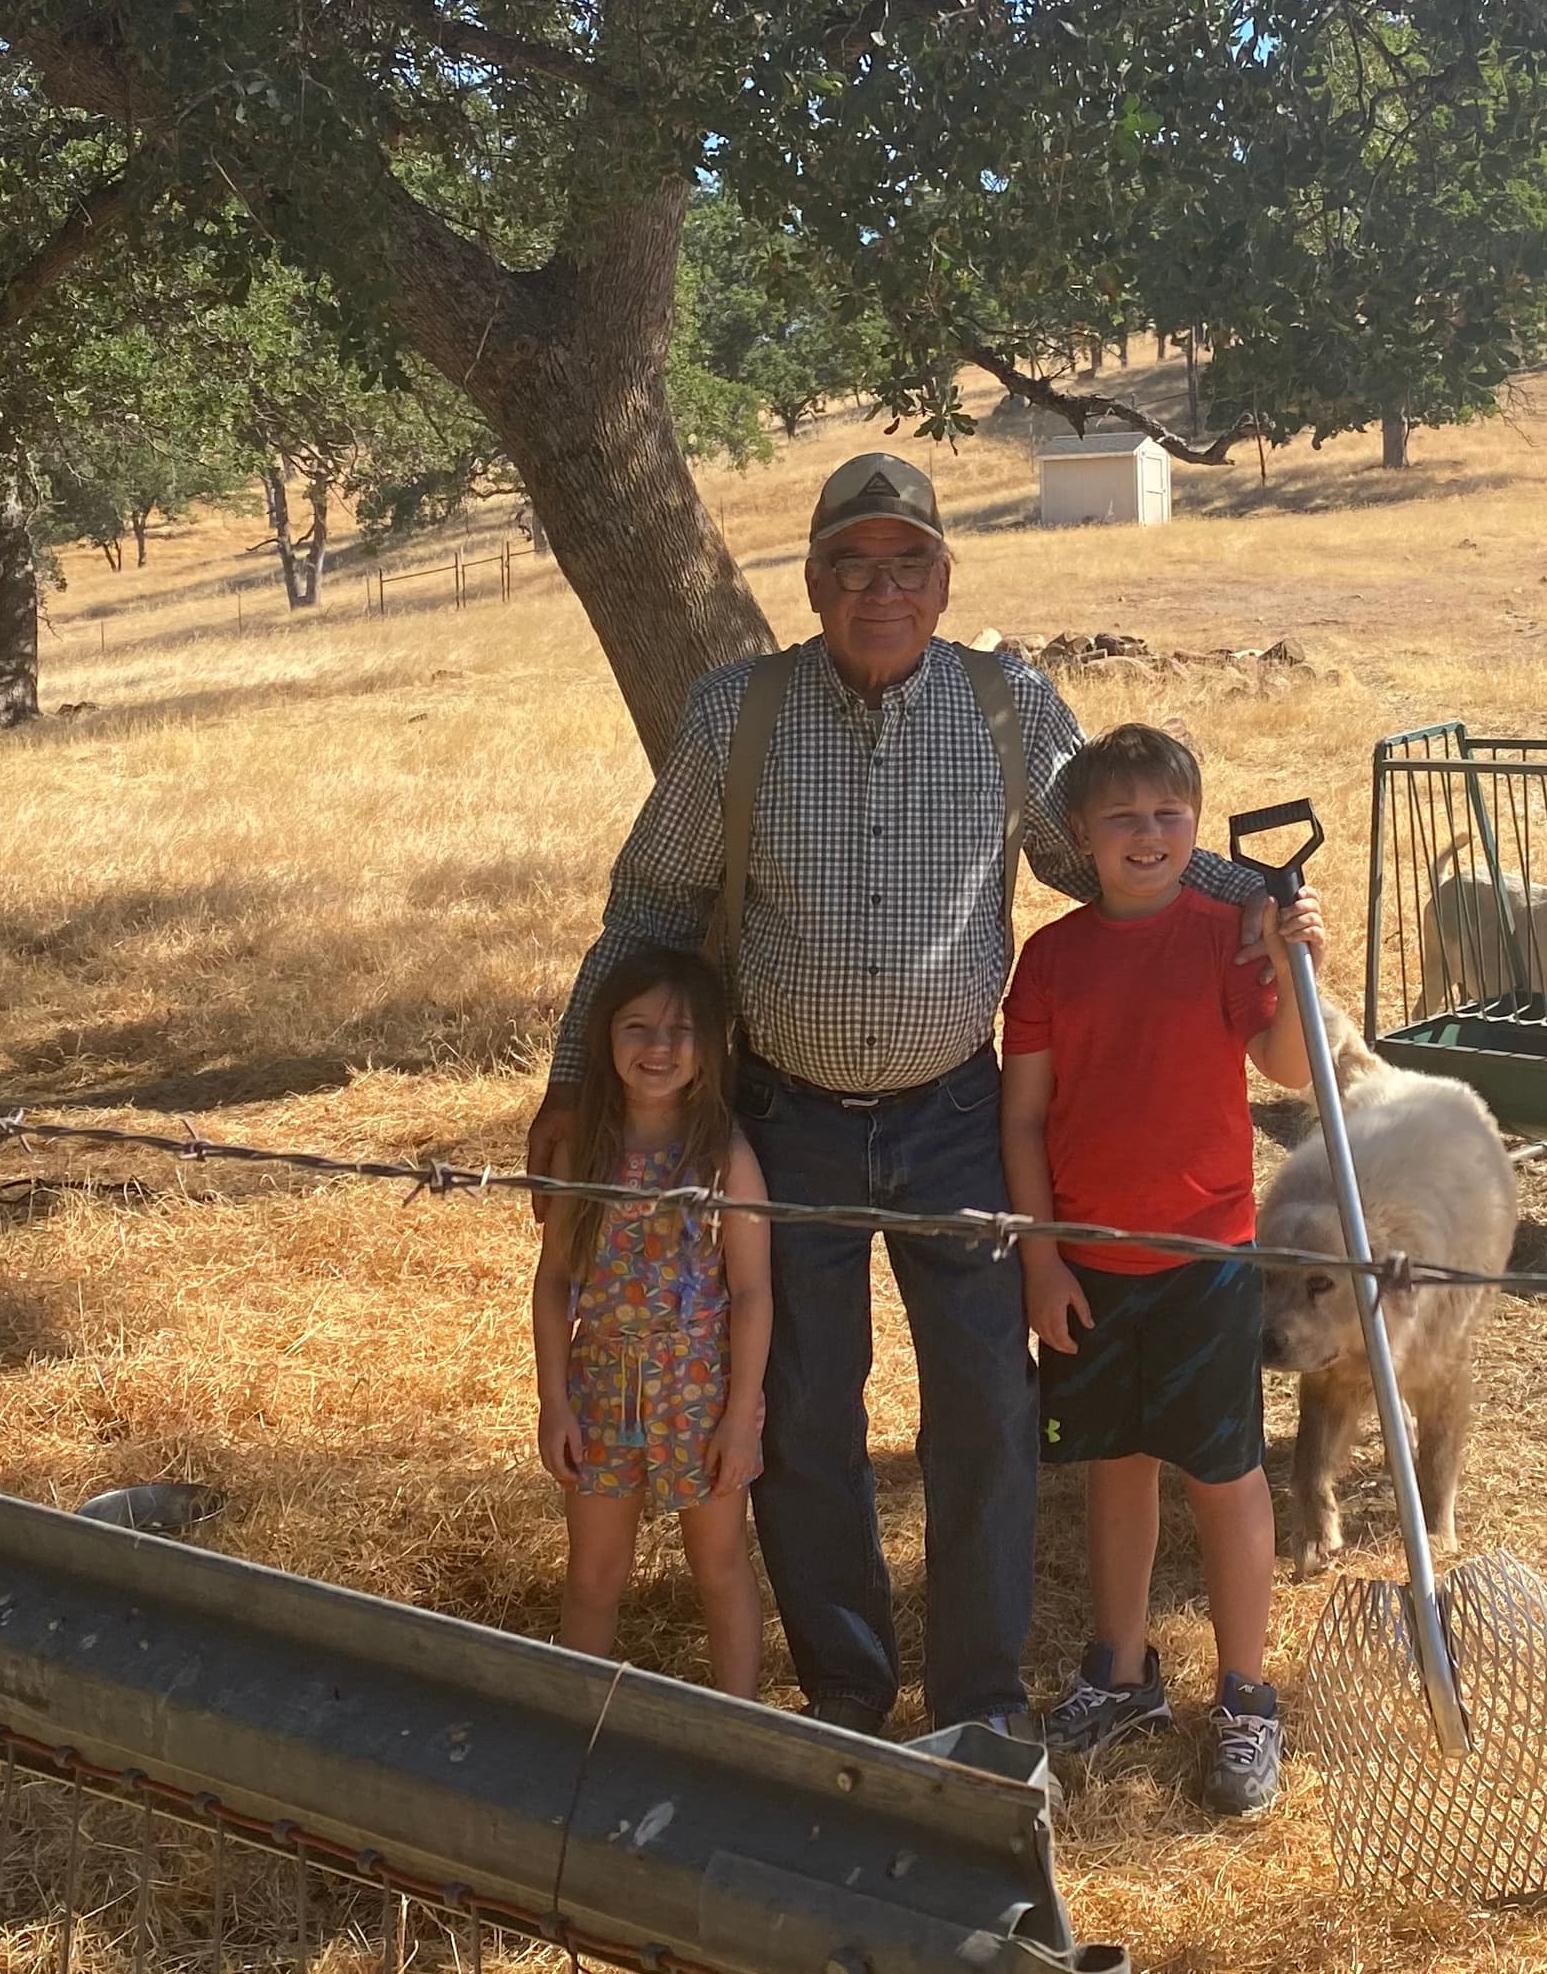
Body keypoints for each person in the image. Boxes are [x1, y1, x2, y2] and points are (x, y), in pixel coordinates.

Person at [532, 451, 1290, 1738]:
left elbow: (1104, 853)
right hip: (785, 1122)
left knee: (988, 1412)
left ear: (945, 581)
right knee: (802, 1410)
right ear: (814, 579)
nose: (880, 586)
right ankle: (844, 1692)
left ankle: (981, 1707)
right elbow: (653, 903)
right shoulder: (738, 715)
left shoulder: (1007, 707)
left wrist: (1255, 901)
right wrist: (568, 1082)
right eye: (853, 563)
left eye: (908, 564)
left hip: (956, 1121)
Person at [1005, 726, 1313, 1815]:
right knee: (1116, 1465)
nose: (1149, 836)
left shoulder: (1228, 939)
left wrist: (1289, 960)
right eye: (1124, 819)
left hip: (1205, 1260)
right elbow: (1026, 1118)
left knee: (1223, 1473)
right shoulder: (1050, 959)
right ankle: (1123, 1670)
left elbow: (1285, 1067)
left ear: (1197, 824)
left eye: (1170, 816)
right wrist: (1042, 1263)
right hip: (1091, 1262)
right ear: (1081, 838)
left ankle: (1244, 1696)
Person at [532, 949, 774, 1696]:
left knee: (721, 1566)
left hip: (700, 1392)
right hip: (602, 1387)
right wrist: (554, 1401)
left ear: (712, 1045)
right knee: (595, 1577)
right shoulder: (584, 1154)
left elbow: (754, 1291)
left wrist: (739, 1419)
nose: (659, 1048)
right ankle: (583, 1734)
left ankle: (738, 1728)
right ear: (605, 1039)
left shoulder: (724, 1158)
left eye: (681, 1029)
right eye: (636, 1027)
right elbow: (553, 1282)